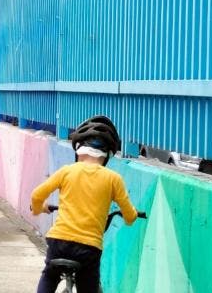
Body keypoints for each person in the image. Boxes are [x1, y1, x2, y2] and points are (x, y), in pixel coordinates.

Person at [31, 115, 138, 293]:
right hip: (88, 249)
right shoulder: (113, 179)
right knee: (88, 286)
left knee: (49, 276)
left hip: (59, 242)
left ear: (78, 148)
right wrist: (131, 216)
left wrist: (38, 209)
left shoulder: (67, 171)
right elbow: (129, 215)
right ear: (107, 155)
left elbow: (36, 195)